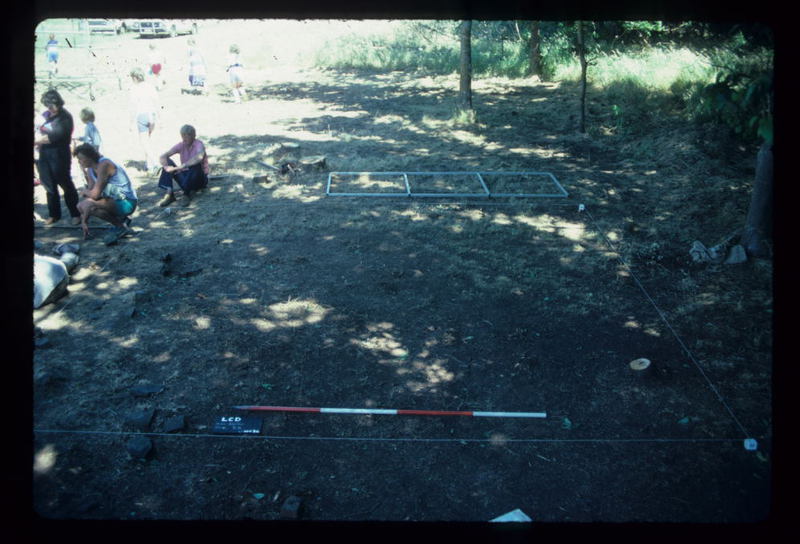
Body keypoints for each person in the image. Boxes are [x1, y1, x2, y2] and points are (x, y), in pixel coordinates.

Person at [74, 143, 138, 244]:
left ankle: (120, 225)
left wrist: (84, 192)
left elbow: (94, 195)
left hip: (126, 201)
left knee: (86, 204)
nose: (79, 162)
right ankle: (120, 222)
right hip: (112, 200)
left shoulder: (104, 165)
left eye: (81, 159)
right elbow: (90, 193)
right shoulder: (90, 169)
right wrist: (84, 220)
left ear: (89, 157)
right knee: (83, 206)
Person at [34, 89, 81, 226]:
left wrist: (36, 141)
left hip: (59, 154)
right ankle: (54, 214)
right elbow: (39, 127)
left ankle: (75, 213)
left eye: (51, 106)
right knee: (49, 185)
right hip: (44, 154)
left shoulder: (65, 117)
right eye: (47, 106)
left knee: (65, 184)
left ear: (57, 103)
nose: (49, 109)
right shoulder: (46, 115)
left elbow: (54, 136)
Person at [156, 124, 209, 208]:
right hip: (186, 176)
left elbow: (198, 158)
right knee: (168, 162)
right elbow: (163, 156)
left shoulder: (199, 144)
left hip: (199, 179)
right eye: (183, 135)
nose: (184, 138)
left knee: (195, 165)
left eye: (187, 135)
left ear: (193, 135)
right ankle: (169, 194)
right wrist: (166, 167)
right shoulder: (181, 144)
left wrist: (178, 167)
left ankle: (186, 194)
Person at [129, 67, 159, 174]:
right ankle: (149, 165)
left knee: (144, 142)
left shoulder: (135, 89)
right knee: (148, 141)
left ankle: (155, 163)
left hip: (142, 116)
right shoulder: (150, 86)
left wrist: (131, 122)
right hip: (152, 115)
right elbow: (156, 102)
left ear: (135, 78)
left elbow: (133, 108)